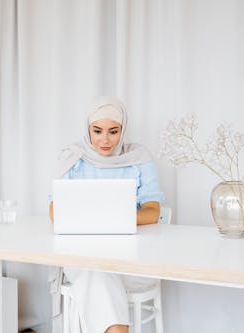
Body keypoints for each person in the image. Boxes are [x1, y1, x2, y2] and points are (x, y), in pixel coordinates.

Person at [49, 96, 164, 333]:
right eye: (97, 131)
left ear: (123, 129)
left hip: (131, 260)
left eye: (113, 131)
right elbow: (54, 210)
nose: (105, 140)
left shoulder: (138, 157)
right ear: (87, 128)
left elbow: (153, 212)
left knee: (100, 275)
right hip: (82, 258)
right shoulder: (73, 157)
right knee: (96, 271)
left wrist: (104, 217)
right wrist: (111, 217)